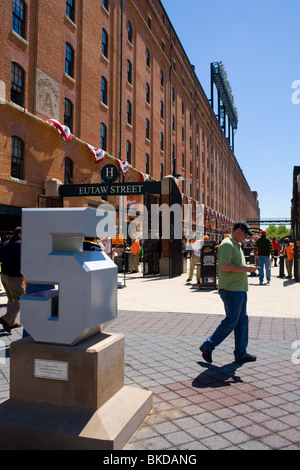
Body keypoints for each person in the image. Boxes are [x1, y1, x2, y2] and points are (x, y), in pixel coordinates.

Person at [199, 221, 258, 364]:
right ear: (238, 229)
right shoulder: (227, 244)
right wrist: (245, 269)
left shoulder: (236, 245)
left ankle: (241, 353)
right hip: (231, 289)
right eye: (245, 233)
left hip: (240, 289)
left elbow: (234, 265)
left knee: (242, 321)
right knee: (232, 320)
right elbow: (225, 266)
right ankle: (208, 346)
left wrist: (246, 267)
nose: (246, 237)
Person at [0, 227, 25, 333]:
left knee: (11, 299)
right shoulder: (20, 244)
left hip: (4, 275)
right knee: (21, 299)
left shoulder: (7, 243)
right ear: (20, 233)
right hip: (14, 277)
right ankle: (5, 319)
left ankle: (11, 323)